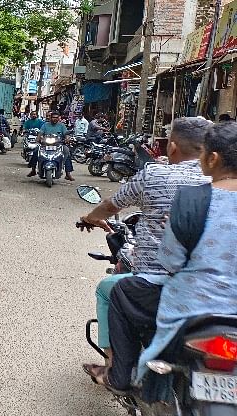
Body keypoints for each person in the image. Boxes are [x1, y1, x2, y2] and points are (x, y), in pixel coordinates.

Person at [79, 117, 212, 389]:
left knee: (111, 289)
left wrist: (90, 218)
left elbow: (110, 205)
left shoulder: (155, 174)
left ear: (172, 147)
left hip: (162, 283)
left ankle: (116, 370)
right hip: (215, 292)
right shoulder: (219, 183)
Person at [133, 121, 237, 384]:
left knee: (125, 292)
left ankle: (137, 380)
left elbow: (171, 261)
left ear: (212, 158)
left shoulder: (190, 200)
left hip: (193, 307)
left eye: (203, 152)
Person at [27, 111, 75, 181]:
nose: (54, 119)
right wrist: (37, 140)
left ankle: (68, 174)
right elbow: (40, 133)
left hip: (59, 144)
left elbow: (66, 134)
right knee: (36, 151)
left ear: (58, 118)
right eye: (53, 117)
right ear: (50, 118)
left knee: (67, 151)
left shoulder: (62, 125)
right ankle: (33, 169)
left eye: (56, 117)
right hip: (45, 144)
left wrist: (67, 139)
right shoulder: (45, 125)